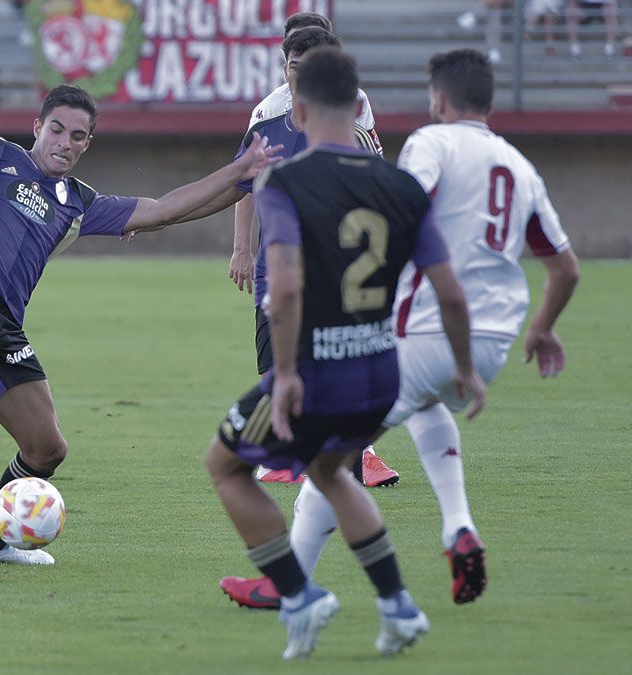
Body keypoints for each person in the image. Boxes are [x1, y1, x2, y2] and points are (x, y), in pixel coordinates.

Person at [220, 48, 580, 611]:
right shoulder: (519, 165)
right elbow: (565, 266)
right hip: (492, 342)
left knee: (331, 463)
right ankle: (458, 525)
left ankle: (285, 587)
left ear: (438, 98)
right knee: (427, 407)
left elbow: (391, 202)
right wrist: (543, 330)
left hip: (427, 324)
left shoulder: (430, 145)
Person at [0, 84, 282, 565]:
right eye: (57, 129)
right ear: (38, 127)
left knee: (46, 449)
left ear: (87, 144)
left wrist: (240, 174)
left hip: (6, 320)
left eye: (77, 136)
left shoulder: (79, 203)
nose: (64, 142)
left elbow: (166, 208)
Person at [205, 47, 484, 660]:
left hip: (314, 374)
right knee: (331, 471)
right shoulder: (399, 184)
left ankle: (299, 594)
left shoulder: (287, 182)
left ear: (297, 110)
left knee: (224, 465)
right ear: (359, 107)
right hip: (381, 375)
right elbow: (450, 295)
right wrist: (463, 369)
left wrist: (283, 375)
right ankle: (398, 607)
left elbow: (284, 287)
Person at [231, 19, 398, 488]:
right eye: (292, 65)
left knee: (335, 357)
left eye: (309, 64)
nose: (297, 74)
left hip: (334, 260)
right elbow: (243, 183)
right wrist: (241, 247)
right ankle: (290, 451)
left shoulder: (354, 106)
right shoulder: (267, 115)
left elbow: (371, 174)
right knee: (275, 360)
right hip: (277, 258)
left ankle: (358, 453)